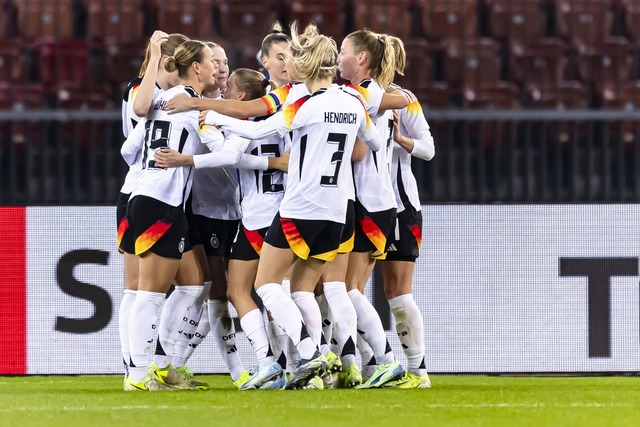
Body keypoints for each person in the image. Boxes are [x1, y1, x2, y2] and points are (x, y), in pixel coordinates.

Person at [201, 22, 383, 389]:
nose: (291, 64)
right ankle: (321, 367)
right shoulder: (353, 102)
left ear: (308, 64)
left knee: (266, 283)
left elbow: (255, 131)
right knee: (302, 290)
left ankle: (310, 352)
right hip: (337, 211)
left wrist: (215, 117)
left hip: (301, 207)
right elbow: (374, 144)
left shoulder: (304, 104)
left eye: (296, 57)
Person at [119, 40, 243, 391]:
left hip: (146, 196)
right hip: (160, 202)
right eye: (211, 61)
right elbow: (228, 155)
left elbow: (129, 149)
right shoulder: (195, 111)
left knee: (192, 283)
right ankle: (139, 375)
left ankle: (160, 366)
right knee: (149, 293)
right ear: (198, 69)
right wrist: (193, 157)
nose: (216, 67)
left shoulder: (161, 99)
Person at [116, 30, 188, 385]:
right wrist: (156, 57)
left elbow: (128, 149)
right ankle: (134, 370)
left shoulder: (171, 98)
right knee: (137, 287)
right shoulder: (143, 91)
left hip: (153, 192)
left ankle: (139, 368)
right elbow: (140, 113)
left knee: (181, 284)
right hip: (141, 191)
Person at [337, 29, 405, 388]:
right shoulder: (361, 93)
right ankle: (365, 361)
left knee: (348, 288)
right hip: (369, 202)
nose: (338, 58)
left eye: (344, 51)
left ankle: (385, 359)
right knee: (348, 288)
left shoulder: (366, 92)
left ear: (362, 59)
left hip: (371, 202)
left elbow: (361, 150)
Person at [379, 36, 435, 389]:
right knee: (338, 286)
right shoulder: (349, 96)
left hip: (400, 208)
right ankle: (369, 364)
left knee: (397, 292)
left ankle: (418, 370)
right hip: (360, 206)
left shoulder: (404, 99)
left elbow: (428, 149)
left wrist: (401, 140)